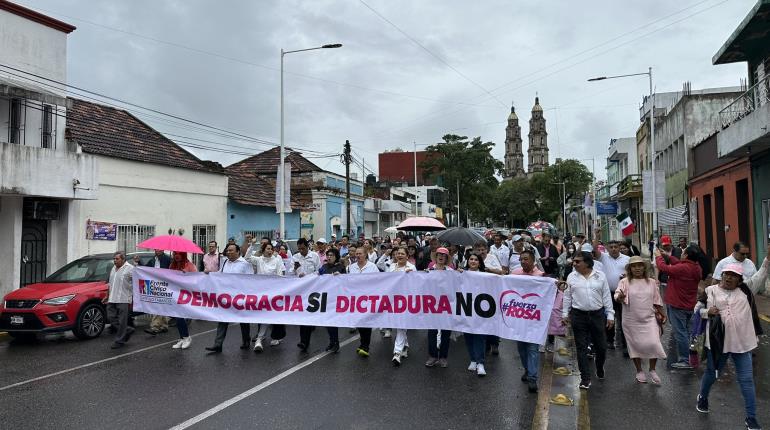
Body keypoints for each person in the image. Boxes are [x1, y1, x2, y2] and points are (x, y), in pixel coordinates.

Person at [697, 251, 769, 430]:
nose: (729, 278)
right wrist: (707, 312)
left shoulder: (745, 290)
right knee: (712, 374)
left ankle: (751, 418)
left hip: (742, 344)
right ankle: (703, 397)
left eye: (733, 275)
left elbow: (761, 274)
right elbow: (697, 310)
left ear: (739, 279)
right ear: (721, 275)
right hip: (718, 344)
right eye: (726, 274)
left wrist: (767, 259)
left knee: (746, 380)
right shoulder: (710, 291)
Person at [562, 251, 614, 390]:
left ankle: (599, 367)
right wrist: (564, 314)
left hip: (597, 315)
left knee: (601, 347)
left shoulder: (600, 276)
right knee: (581, 348)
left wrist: (610, 315)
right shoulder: (571, 277)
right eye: (574, 261)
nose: (574, 264)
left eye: (578, 261)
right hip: (578, 316)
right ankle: (585, 378)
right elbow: (567, 296)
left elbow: (606, 296)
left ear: (587, 262)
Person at [614, 256, 667, 384]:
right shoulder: (624, 282)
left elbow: (657, 300)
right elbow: (617, 295)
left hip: (649, 318)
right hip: (631, 320)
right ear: (630, 269)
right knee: (634, 345)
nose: (637, 268)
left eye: (640, 265)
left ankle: (652, 369)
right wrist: (619, 297)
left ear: (644, 267)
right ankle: (639, 371)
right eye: (634, 266)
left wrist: (663, 315)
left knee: (654, 343)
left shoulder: (652, 282)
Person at [655, 244, 702, 369]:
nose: (681, 253)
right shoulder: (696, 267)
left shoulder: (683, 268)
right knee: (686, 332)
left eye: (683, 252)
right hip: (688, 305)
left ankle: (685, 360)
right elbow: (679, 264)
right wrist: (667, 256)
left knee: (680, 333)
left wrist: (659, 257)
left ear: (686, 255)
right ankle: (691, 358)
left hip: (677, 305)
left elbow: (663, 268)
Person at [205, 244, 254, 353]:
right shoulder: (226, 262)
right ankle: (218, 345)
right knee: (223, 319)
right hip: (226, 296)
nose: (228, 253)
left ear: (238, 252)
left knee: (243, 320)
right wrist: (210, 273)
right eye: (227, 251)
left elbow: (251, 280)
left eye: (231, 251)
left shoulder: (245, 264)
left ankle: (246, 340)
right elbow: (220, 274)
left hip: (240, 297)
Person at [510, 250, 545, 393]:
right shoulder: (515, 274)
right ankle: (526, 369)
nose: (523, 262)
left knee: (532, 349)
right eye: (521, 259)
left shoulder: (541, 276)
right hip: (519, 319)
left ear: (533, 260)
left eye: (526, 259)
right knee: (522, 348)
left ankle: (532, 378)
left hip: (534, 319)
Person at [592, 233, 631, 354]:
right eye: (611, 247)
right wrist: (597, 236)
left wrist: (627, 276)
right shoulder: (603, 257)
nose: (613, 249)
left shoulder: (627, 259)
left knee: (623, 318)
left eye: (616, 246)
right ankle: (609, 341)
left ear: (620, 247)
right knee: (608, 317)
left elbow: (632, 274)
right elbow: (594, 249)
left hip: (622, 293)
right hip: (607, 293)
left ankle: (625, 344)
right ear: (607, 248)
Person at [303, 247, 346, 354]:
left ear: (336, 257)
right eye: (328, 255)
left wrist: (340, 276)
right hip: (325, 297)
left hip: (336, 297)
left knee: (333, 321)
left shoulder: (340, 267)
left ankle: (335, 343)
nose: (329, 257)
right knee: (327, 321)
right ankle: (332, 342)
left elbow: (346, 281)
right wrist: (304, 277)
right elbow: (316, 276)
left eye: (332, 255)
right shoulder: (324, 267)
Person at [251, 242, 286, 352]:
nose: (270, 251)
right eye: (268, 249)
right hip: (262, 292)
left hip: (274, 292)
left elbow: (280, 275)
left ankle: (264, 338)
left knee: (272, 315)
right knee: (264, 315)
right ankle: (260, 338)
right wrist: (251, 245)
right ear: (263, 250)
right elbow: (247, 258)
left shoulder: (276, 260)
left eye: (271, 249)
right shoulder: (259, 260)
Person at [348, 248, 380, 357]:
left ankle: (366, 346)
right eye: (356, 254)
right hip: (356, 299)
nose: (358, 255)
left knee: (367, 322)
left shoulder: (372, 267)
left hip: (369, 298)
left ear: (365, 255)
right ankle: (362, 343)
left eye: (360, 253)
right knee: (360, 322)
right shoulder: (351, 267)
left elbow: (379, 281)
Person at [425, 247, 453, 368]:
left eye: (444, 255)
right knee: (432, 331)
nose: (441, 257)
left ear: (447, 258)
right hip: (432, 305)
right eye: (439, 255)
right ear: (435, 257)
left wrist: (462, 273)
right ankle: (432, 356)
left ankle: (443, 357)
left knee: (446, 332)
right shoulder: (429, 271)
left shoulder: (451, 272)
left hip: (447, 305)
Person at [461, 253, 488, 376]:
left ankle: (480, 363)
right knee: (468, 336)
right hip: (466, 309)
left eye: (476, 259)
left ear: (479, 262)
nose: (473, 261)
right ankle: (473, 359)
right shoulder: (461, 274)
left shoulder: (485, 275)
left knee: (479, 336)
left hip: (481, 310)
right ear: (467, 261)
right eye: (471, 259)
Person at [389, 247, 416, 366]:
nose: (399, 255)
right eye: (398, 253)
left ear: (407, 256)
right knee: (398, 325)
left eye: (402, 254)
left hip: (406, 300)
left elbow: (416, 283)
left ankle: (397, 353)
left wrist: (411, 275)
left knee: (401, 326)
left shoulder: (411, 268)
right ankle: (405, 345)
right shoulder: (391, 267)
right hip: (393, 300)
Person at [294, 238, 321, 352]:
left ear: (307, 247)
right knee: (302, 316)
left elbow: (320, 271)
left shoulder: (314, 256)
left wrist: (308, 277)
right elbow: (291, 271)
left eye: (303, 248)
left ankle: (306, 341)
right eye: (299, 248)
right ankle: (303, 341)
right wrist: (297, 272)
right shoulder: (296, 257)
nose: (301, 250)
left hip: (312, 289)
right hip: (300, 290)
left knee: (309, 315)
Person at [103, 252, 135, 349]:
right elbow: (110, 284)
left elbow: (137, 281)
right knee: (110, 317)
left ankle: (119, 340)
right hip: (112, 298)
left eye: (117, 259)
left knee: (122, 321)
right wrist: (107, 296)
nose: (115, 261)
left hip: (123, 298)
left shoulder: (130, 269)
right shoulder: (113, 268)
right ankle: (127, 330)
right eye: (114, 259)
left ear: (123, 259)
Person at [169, 252, 196, 350]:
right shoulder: (172, 265)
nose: (177, 256)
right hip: (174, 293)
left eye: (179, 254)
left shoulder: (190, 265)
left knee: (180, 316)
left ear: (183, 255)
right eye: (175, 253)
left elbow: (196, 279)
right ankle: (182, 338)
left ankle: (186, 337)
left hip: (185, 294)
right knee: (177, 317)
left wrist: (186, 275)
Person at [143, 249, 172, 335]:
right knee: (160, 305)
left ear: (162, 250)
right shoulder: (153, 259)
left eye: (159, 249)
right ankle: (164, 325)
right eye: (156, 249)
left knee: (158, 305)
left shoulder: (168, 259)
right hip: (155, 285)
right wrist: (138, 263)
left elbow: (172, 270)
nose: (157, 251)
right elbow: (145, 268)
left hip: (164, 285)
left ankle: (154, 327)